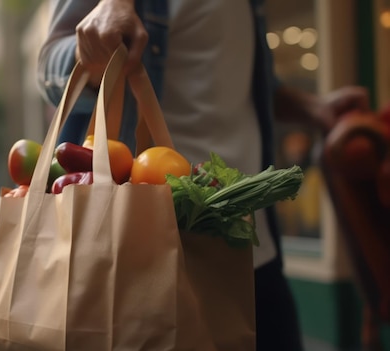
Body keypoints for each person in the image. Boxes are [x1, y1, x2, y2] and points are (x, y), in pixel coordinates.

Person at [37, 1, 370, 350]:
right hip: (146, 263)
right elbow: (49, 66)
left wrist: (313, 108)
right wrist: (88, 50)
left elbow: (246, 84)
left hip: (252, 245)